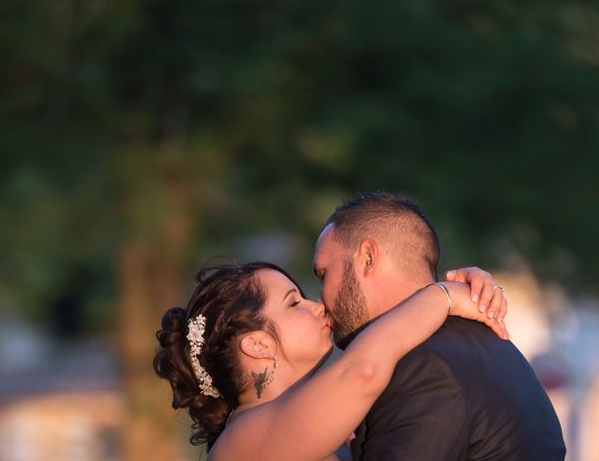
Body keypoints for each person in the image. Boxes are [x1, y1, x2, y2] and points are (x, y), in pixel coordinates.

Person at [154, 260, 508, 460]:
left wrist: (471, 291)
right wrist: (443, 296)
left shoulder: (319, 423)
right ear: (258, 345)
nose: (317, 306)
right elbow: (363, 371)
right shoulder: (240, 444)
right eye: (294, 303)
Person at [313, 190, 566, 460]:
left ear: (367, 258)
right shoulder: (492, 346)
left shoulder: (422, 365)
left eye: (324, 273)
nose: (320, 300)